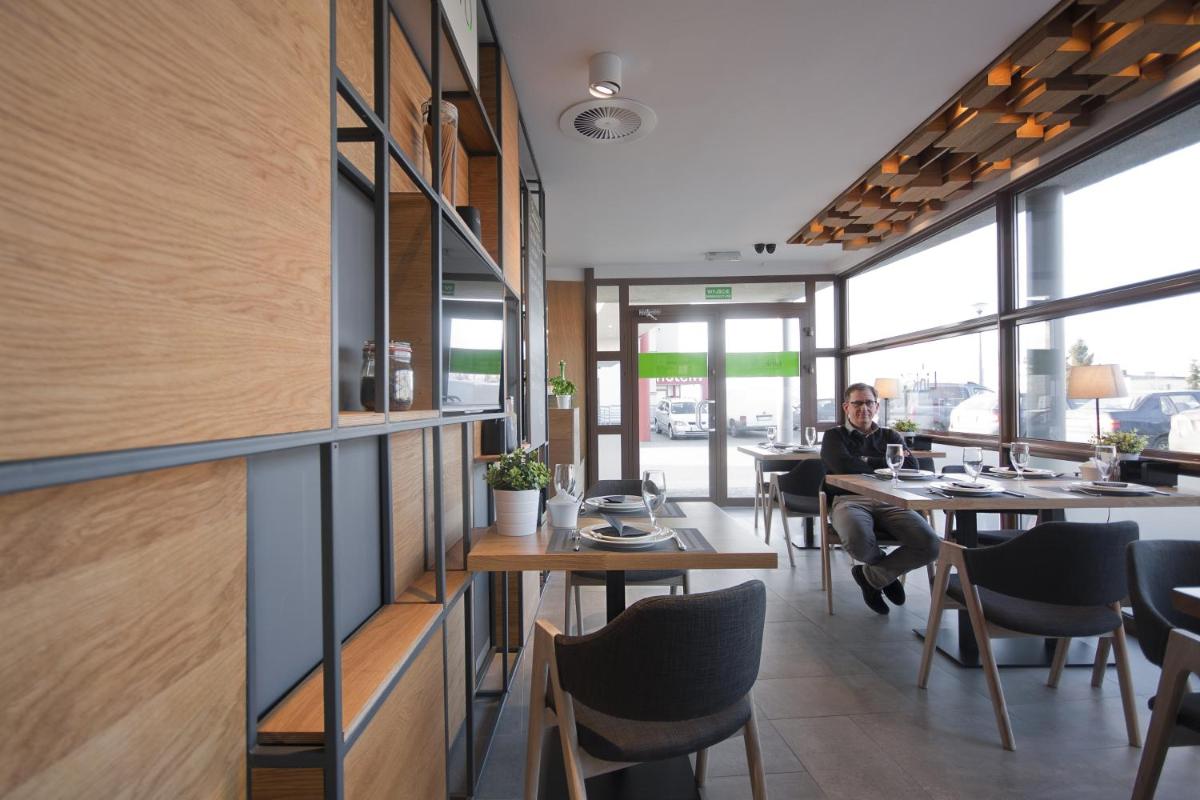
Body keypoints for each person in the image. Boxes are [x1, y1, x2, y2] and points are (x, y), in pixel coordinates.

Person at [820, 382, 939, 614]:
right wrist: (884, 463)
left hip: (891, 500)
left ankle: (871, 576)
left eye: (869, 403)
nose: (863, 408)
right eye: (857, 403)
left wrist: (864, 461)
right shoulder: (834, 436)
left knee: (931, 545)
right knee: (857, 540)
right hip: (849, 500)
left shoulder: (890, 435)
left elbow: (910, 465)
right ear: (846, 407)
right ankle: (886, 575)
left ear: (876, 407)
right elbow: (843, 465)